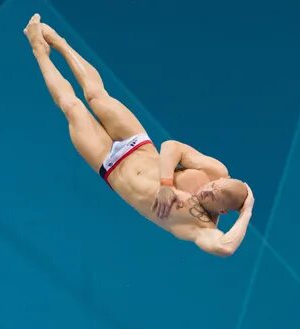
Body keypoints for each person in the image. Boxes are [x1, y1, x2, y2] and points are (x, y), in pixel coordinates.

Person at [23, 13, 254, 257]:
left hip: (110, 166)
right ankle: (59, 42)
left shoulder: (199, 225)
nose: (207, 189)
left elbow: (226, 248)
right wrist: (166, 184)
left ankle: (38, 49)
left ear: (223, 211)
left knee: (72, 107)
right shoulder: (215, 171)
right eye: (213, 186)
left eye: (212, 195)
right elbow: (171, 146)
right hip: (137, 145)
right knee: (97, 96)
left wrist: (247, 210)